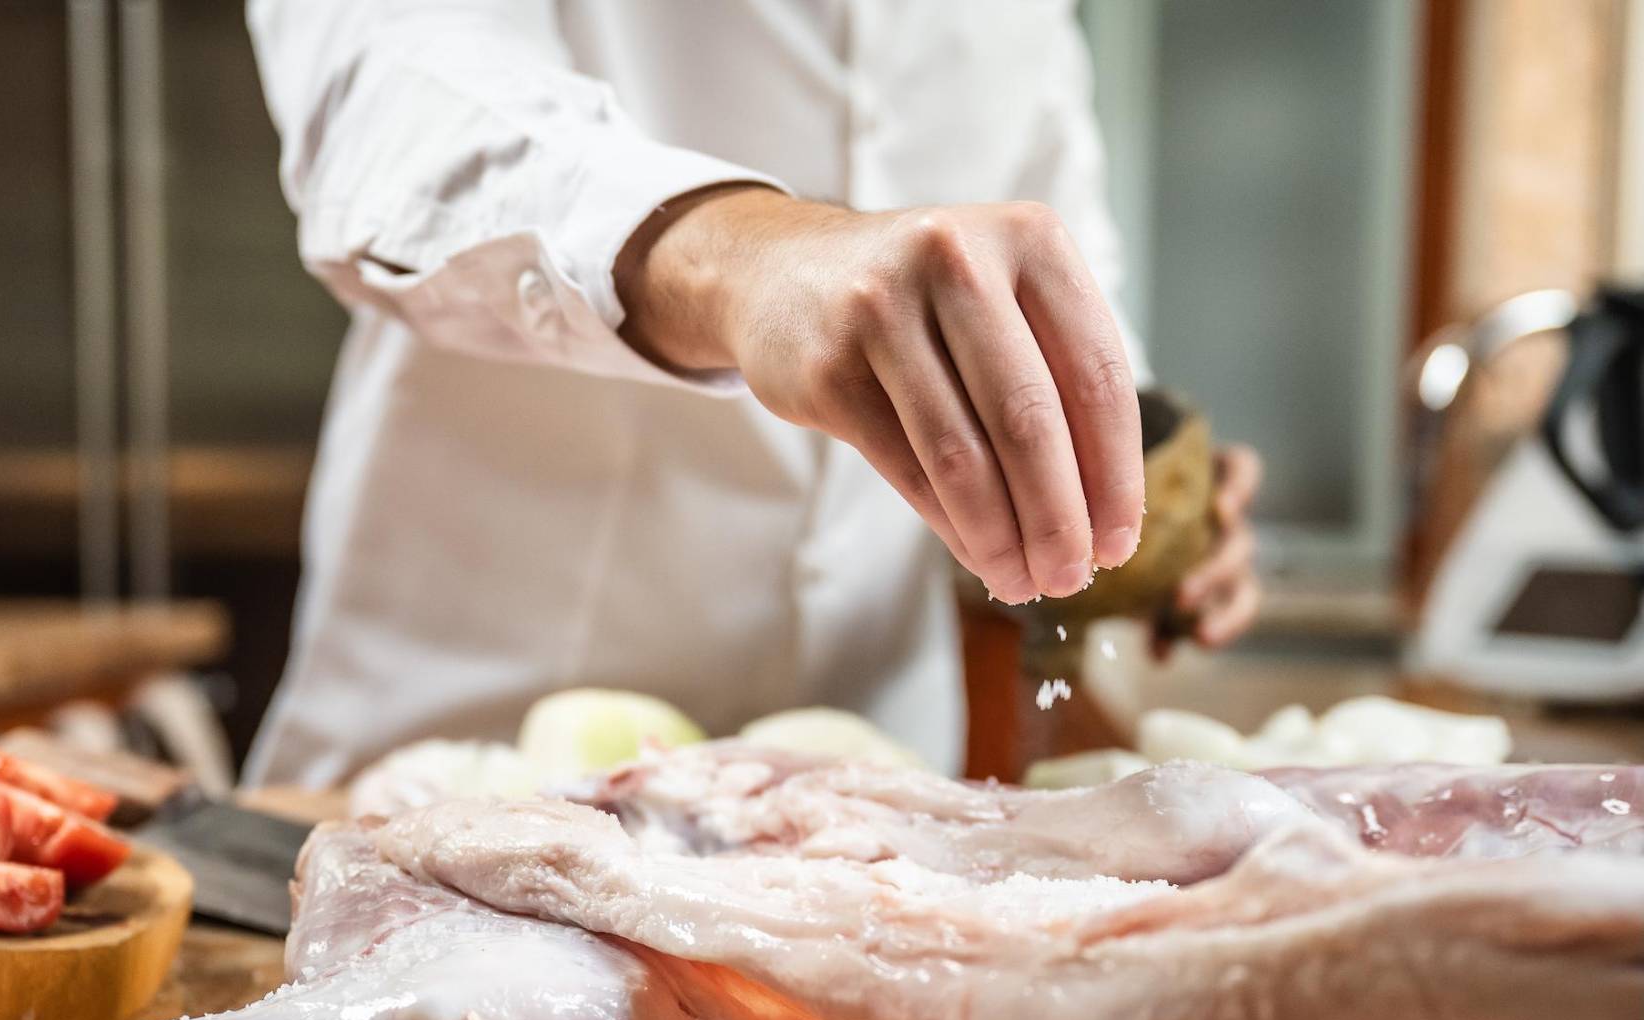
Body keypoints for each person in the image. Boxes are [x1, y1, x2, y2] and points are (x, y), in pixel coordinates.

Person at [243, 0, 1261, 787]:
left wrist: (1120, 475)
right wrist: (745, 256)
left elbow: (1048, 211)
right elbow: (380, 89)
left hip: (871, 811)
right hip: (468, 772)